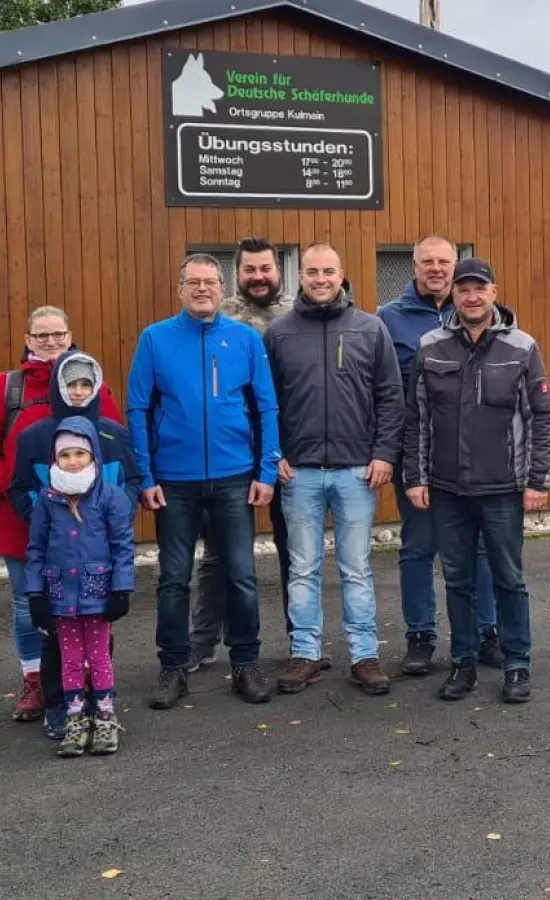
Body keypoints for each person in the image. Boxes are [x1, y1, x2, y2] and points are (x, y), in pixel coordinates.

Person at [128, 252, 280, 710]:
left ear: (221, 289)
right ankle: (173, 667)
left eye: (210, 282)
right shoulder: (155, 339)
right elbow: (138, 409)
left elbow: (267, 407)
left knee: (242, 576)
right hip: (174, 481)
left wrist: (266, 471)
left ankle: (246, 663)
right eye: (193, 282)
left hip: (234, 477)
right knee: (174, 579)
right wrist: (145, 476)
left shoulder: (245, 339)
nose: (202, 289)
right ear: (180, 289)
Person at [403, 258, 550, 704]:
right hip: (447, 489)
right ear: (453, 295)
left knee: (509, 579)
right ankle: (463, 663)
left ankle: (517, 663)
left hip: (502, 488)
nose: (471, 297)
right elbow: (417, 417)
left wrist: (538, 480)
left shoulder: (522, 347)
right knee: (457, 580)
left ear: (494, 293)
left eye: (479, 289)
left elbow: (541, 417)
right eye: (463, 289)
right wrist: (416, 477)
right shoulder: (431, 346)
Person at [0, 305, 123, 723]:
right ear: (28, 340)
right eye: (42, 335)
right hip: (22, 516)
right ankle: (35, 679)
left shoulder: (92, 384)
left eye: (58, 334)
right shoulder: (8, 388)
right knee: (28, 603)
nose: (51, 342)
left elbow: (114, 444)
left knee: (89, 603)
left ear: (70, 336)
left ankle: (87, 681)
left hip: (84, 522)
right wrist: (10, 488)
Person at [264, 243, 405, 696]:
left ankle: (364, 655)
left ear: (341, 275)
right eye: (312, 272)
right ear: (300, 277)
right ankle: (305, 653)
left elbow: (390, 396)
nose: (320, 279)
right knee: (302, 568)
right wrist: (273, 454)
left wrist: (384, 454)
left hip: (356, 471)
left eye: (328, 271)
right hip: (299, 472)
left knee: (356, 568)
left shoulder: (370, 328)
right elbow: (266, 402)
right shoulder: (280, 333)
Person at [378, 236, 503, 675]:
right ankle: (421, 637)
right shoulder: (387, 320)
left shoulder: (480, 313)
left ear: (455, 266)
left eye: (444, 261)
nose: (436, 268)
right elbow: (384, 392)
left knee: (480, 548)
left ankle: (487, 633)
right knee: (418, 547)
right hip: (417, 453)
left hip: (475, 455)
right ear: (414, 266)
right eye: (427, 261)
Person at [9, 350, 142, 738]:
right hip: (57, 560)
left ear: (97, 386)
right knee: (57, 639)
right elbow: (18, 487)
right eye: (71, 384)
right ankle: (59, 705)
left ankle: (100, 704)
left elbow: (132, 480)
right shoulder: (35, 437)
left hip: (98, 558)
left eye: (86, 384)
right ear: (58, 388)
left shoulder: (114, 435)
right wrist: (42, 516)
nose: (79, 391)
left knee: (99, 638)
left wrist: (117, 510)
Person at [189, 237, 295, 669]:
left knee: (294, 551)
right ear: (237, 274)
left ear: (279, 271)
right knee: (220, 554)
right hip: (229, 453)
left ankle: (301, 642)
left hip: (286, 453)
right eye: (249, 270)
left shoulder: (296, 318)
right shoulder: (219, 316)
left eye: (265, 268)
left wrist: (281, 450)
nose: (258, 277)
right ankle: (202, 641)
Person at [24, 418, 136, 757]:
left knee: (99, 658)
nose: (73, 461)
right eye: (65, 455)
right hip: (61, 595)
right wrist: (36, 593)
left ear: (93, 456)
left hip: (97, 592)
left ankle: (105, 716)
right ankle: (75, 719)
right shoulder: (47, 500)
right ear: (55, 459)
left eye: (80, 454)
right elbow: (36, 548)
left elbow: (122, 546)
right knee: (70, 659)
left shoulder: (110, 497)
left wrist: (121, 589)